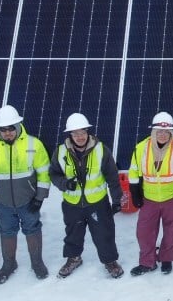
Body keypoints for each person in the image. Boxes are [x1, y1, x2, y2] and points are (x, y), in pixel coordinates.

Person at [0, 104, 51, 283]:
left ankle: (37, 262)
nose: (8, 133)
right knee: (7, 231)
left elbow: (44, 172)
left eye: (11, 129)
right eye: (3, 130)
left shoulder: (34, 144)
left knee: (32, 229)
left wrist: (39, 198)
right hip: (3, 202)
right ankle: (9, 264)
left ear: (18, 126)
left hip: (28, 200)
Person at [49, 113, 124, 279]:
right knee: (73, 233)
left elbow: (112, 176)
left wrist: (117, 199)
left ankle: (110, 261)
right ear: (70, 135)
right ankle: (73, 258)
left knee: (104, 233)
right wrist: (64, 184)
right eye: (75, 134)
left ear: (88, 132)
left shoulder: (101, 150)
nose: (80, 137)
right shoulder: (60, 152)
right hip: (72, 203)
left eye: (82, 133)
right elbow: (53, 174)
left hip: (97, 202)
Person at [127, 111, 173, 276]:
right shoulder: (141, 147)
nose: (163, 135)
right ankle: (147, 263)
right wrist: (135, 193)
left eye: (167, 132)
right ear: (153, 132)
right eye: (159, 131)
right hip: (149, 197)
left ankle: (166, 258)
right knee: (144, 232)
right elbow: (134, 172)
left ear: (171, 132)